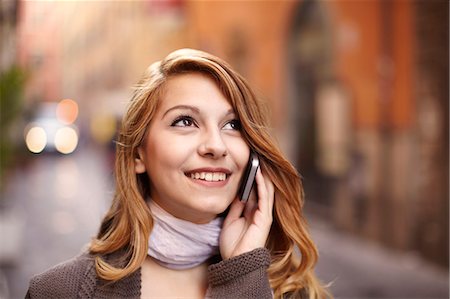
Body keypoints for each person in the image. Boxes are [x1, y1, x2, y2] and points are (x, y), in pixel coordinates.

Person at [26, 49, 330, 298]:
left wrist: (242, 273)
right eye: (185, 121)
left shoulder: (294, 291)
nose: (216, 145)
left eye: (232, 125)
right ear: (137, 154)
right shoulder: (57, 292)